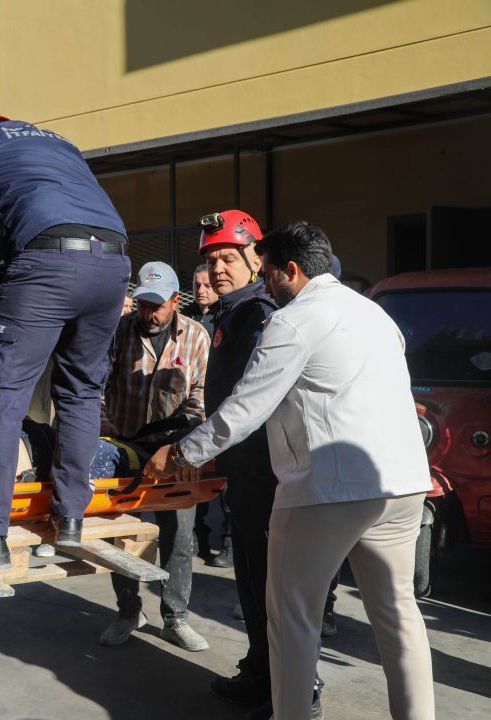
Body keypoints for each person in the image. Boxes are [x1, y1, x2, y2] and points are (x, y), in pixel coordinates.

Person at [145, 221, 435, 720]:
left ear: (291, 270)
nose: (265, 283)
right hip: (403, 485)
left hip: (327, 492)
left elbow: (245, 409)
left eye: (269, 272)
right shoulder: (375, 315)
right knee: (400, 619)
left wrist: (179, 455)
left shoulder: (293, 321)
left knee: (292, 621)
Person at [0, 114, 132, 570]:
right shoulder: (62, 144)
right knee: (82, 392)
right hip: (115, 259)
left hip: (49, 260)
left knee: (4, 393)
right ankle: (70, 520)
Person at [194, 210, 296, 719]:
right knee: (252, 580)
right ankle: (260, 672)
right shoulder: (232, 312)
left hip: (264, 472)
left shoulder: (258, 313)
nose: (218, 269)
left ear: (256, 258)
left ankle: (293, 689)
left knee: (271, 586)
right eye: (211, 260)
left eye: (229, 258)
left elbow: (255, 400)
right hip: (243, 469)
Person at [97, 262, 211, 652]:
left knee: (178, 535)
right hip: (123, 443)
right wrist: (104, 427)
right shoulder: (117, 332)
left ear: (176, 301)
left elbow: (200, 399)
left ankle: (175, 618)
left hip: (174, 448)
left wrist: (181, 448)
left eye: (156, 306)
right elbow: (94, 385)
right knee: (118, 535)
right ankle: (128, 610)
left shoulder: (196, 336)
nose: (148, 313)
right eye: (143, 304)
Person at [185, 262, 229, 565]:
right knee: (193, 476)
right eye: (196, 285)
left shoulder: (228, 316)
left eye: (207, 285)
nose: (201, 291)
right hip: (193, 407)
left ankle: (229, 543)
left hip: (224, 405)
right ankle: (195, 537)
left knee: (226, 481)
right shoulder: (186, 317)